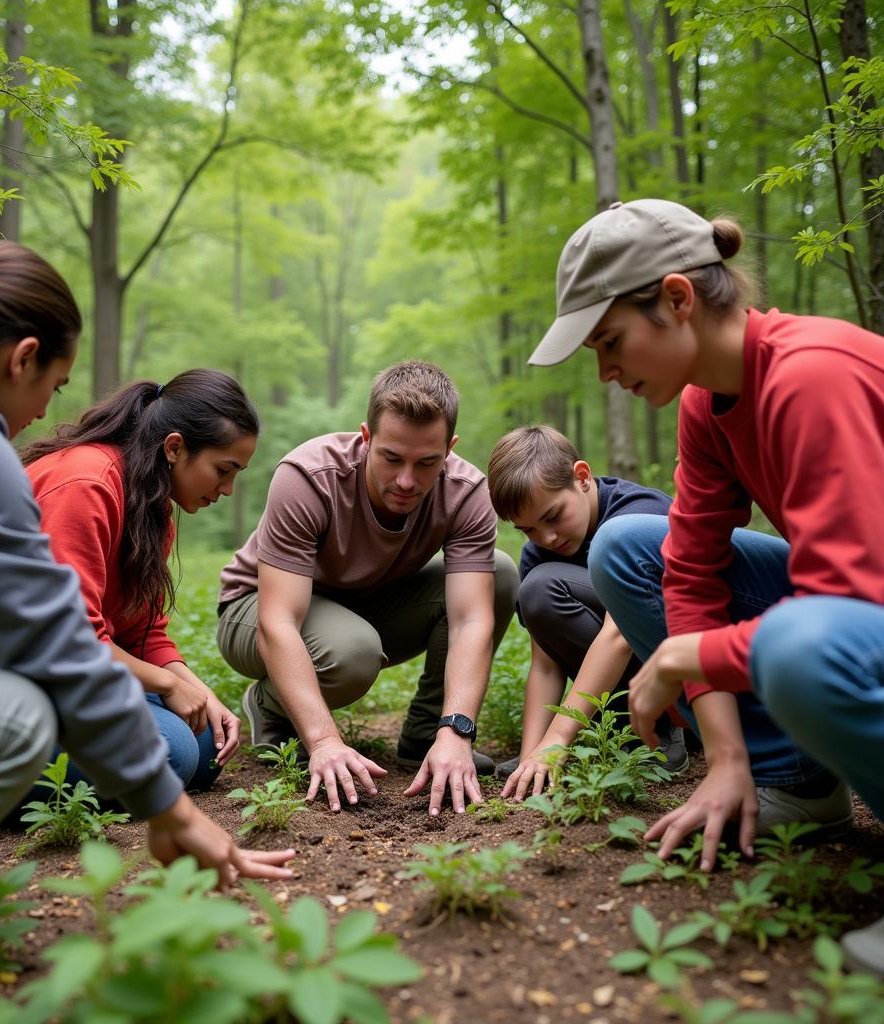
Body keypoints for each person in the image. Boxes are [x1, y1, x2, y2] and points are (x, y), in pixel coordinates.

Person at [0, 243, 292, 1022]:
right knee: (74, 729)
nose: (38, 416)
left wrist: (183, 677)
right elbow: (58, 643)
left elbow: (142, 632)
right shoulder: (16, 455)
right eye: (52, 385)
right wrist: (173, 810)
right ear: (22, 358)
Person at [528, 197, 881, 972]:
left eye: (612, 341)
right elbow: (688, 576)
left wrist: (690, 660)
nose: (607, 371)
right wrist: (724, 756)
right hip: (858, 607)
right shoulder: (706, 402)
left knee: (798, 640)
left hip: (860, 606)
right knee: (626, 547)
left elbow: (850, 600)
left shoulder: (811, 376)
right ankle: (783, 779)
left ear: (679, 299)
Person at [217, 361, 520, 816]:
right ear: (366, 438)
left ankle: (426, 738)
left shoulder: (465, 491)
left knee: (499, 575)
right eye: (392, 458)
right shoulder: (308, 477)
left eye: (427, 463)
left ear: (449, 448)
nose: (406, 480)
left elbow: (471, 618)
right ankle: (270, 705)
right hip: (255, 608)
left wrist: (457, 731)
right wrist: (322, 740)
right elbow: (278, 621)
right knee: (351, 653)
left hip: (367, 605)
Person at [0, 369, 254, 796]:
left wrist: (202, 693)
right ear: (175, 447)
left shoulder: (150, 506)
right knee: (169, 749)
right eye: (224, 469)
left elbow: (140, 633)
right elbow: (66, 639)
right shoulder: (86, 484)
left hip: (58, 670)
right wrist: (167, 685)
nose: (227, 489)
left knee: (204, 743)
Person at [485, 425, 685, 800]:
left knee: (545, 585)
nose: (545, 538)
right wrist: (534, 753)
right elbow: (546, 665)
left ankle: (661, 726)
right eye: (528, 529)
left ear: (582, 478)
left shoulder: (640, 517)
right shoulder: (542, 554)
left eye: (553, 516)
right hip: (624, 681)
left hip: (691, 676)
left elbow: (620, 633)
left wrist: (559, 738)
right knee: (539, 589)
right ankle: (623, 725)